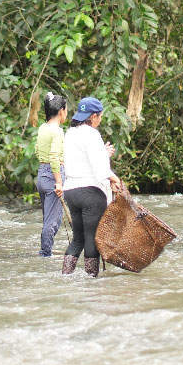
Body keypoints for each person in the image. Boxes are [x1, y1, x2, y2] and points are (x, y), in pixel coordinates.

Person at [60, 97, 121, 277]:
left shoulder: (70, 133)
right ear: (94, 116)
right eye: (100, 116)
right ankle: (91, 279)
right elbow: (100, 168)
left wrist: (102, 153)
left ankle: (66, 274)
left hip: (71, 191)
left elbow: (82, 159)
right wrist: (115, 179)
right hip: (90, 193)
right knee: (92, 238)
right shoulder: (92, 134)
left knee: (78, 239)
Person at [34, 92, 67, 257]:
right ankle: (45, 253)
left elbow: (37, 150)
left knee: (47, 218)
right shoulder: (57, 131)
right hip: (53, 175)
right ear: (61, 111)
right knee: (52, 221)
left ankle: (45, 250)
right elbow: (54, 157)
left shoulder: (43, 128)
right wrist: (59, 181)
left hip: (42, 174)